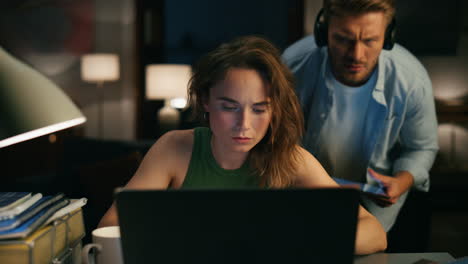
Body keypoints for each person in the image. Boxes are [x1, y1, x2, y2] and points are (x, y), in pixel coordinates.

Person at [99, 36, 387, 254]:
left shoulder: (291, 159)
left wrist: (299, 244)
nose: (244, 124)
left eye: (260, 109)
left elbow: (374, 232)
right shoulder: (173, 149)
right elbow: (110, 226)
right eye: (229, 107)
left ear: (274, 111)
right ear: (206, 101)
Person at [282, 0, 439, 232]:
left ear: (388, 36)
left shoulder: (412, 81)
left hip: (376, 203)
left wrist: (402, 180)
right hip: (305, 192)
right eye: (343, 39)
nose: (356, 54)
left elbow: (421, 148)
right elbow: (275, 140)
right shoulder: (292, 67)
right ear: (323, 32)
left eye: (370, 41)